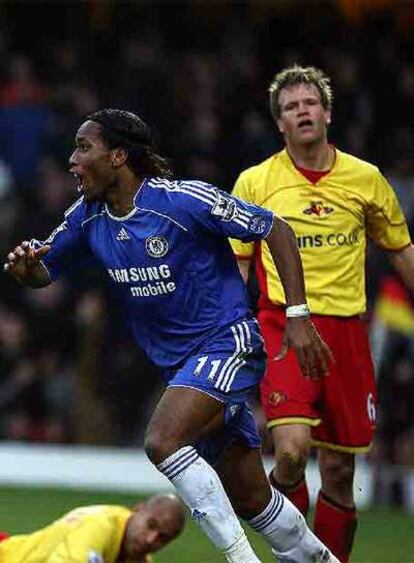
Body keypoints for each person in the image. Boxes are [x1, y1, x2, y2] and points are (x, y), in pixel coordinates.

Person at [4, 108, 338, 563]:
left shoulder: (182, 202)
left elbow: (274, 227)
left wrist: (298, 316)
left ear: (119, 155)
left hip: (229, 343)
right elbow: (45, 270)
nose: (72, 160)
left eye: (85, 148)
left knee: (162, 441)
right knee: (252, 500)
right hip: (183, 369)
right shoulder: (88, 217)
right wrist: (27, 271)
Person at [230, 65, 414, 562]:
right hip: (283, 326)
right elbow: (237, 265)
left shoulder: (365, 180)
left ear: (327, 113)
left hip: (347, 334)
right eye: (291, 107)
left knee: (339, 472)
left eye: (310, 103)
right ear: (280, 124)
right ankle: (292, 553)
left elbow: (399, 248)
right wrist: (226, 330)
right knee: (290, 453)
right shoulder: (256, 182)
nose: (303, 111)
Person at [0, 493, 186, 562]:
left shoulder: (139, 559)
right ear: (137, 510)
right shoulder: (100, 525)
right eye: (150, 525)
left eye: (163, 538)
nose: (150, 539)